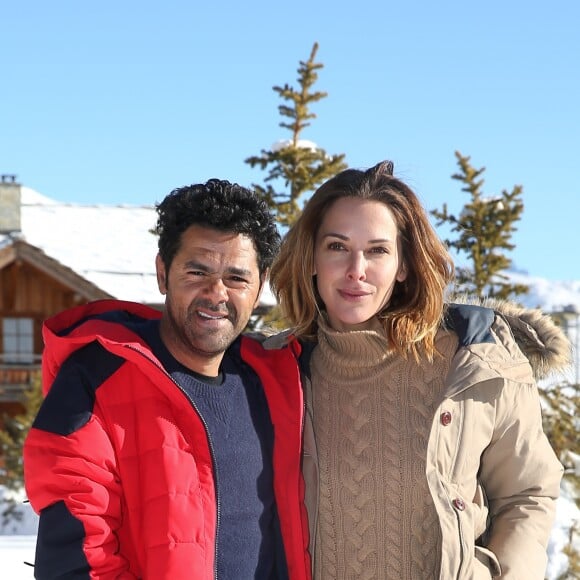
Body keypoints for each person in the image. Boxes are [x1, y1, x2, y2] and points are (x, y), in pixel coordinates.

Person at [267, 161, 569, 579]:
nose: (357, 269)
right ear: (312, 257)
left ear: (404, 265)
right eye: (337, 246)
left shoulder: (475, 360)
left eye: (378, 250)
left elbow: (527, 492)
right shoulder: (275, 370)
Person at [23, 179, 311, 580]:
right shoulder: (95, 380)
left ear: (260, 285)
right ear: (163, 273)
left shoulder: (276, 383)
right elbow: (77, 558)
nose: (216, 292)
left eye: (236, 278)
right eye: (197, 271)